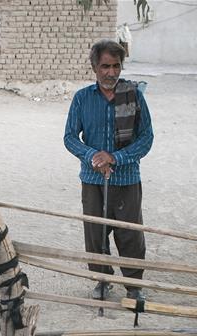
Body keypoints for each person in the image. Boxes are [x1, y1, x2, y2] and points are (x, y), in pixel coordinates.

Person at [64, 39, 153, 301]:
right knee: (95, 234)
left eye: (116, 66)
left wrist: (115, 158)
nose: (111, 72)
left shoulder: (134, 96)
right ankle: (102, 280)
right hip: (92, 179)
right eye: (105, 66)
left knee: (130, 235)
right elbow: (70, 137)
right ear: (94, 67)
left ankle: (133, 286)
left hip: (126, 179)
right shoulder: (82, 98)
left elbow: (146, 138)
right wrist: (92, 155)